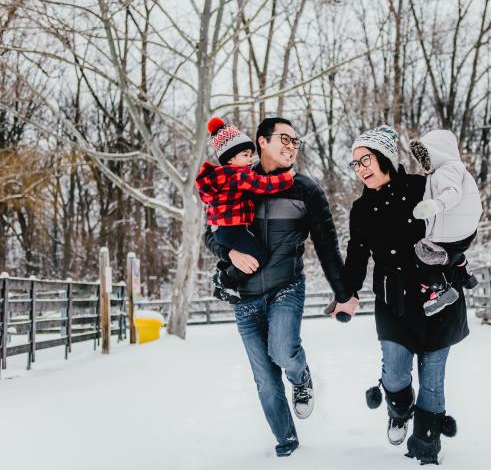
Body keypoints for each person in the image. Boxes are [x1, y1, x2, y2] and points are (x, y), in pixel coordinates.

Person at [204, 117, 350, 457]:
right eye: (284, 138)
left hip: (286, 286)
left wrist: (344, 293)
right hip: (245, 298)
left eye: (295, 141)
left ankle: (301, 379)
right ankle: (286, 441)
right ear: (261, 142)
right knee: (266, 381)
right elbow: (210, 235)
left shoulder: (305, 189)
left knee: (283, 351)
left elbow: (328, 246)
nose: (291, 146)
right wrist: (231, 253)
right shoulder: (234, 182)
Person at [329, 125, 469, 465]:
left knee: (433, 381)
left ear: (385, 158)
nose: (361, 168)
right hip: (393, 301)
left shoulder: (424, 189)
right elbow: (357, 257)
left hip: (437, 295)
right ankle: (399, 410)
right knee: (395, 373)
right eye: (355, 163)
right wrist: (344, 293)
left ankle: (425, 447)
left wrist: (453, 256)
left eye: (366, 159)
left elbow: (460, 226)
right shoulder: (361, 210)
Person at [194, 117, 294, 303]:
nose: (250, 159)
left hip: (223, 231)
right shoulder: (237, 175)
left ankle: (224, 271)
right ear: (231, 158)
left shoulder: (221, 177)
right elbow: (262, 184)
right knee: (260, 257)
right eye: (246, 155)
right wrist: (287, 178)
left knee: (250, 253)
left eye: (251, 155)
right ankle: (224, 280)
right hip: (231, 230)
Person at [409, 129, 483, 316]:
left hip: (453, 232)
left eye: (427, 157)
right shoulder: (456, 169)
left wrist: (435, 205)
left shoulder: (446, 170)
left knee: (423, 254)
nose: (424, 164)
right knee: (450, 253)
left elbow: (453, 193)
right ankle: (466, 275)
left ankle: (442, 290)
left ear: (438, 153)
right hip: (464, 231)